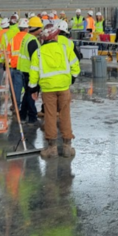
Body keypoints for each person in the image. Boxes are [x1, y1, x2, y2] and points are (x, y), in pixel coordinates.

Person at [29, 23, 80, 158]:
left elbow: (33, 74)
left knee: (50, 116)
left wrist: (33, 89)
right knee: (65, 114)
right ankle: (67, 147)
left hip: (48, 89)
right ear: (55, 36)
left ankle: (52, 148)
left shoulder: (38, 53)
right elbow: (75, 67)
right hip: (64, 87)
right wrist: (71, 80)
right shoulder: (64, 49)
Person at [17, 17, 44, 123]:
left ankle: (23, 114)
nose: (41, 30)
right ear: (36, 28)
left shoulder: (27, 37)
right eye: (40, 28)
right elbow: (35, 59)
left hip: (24, 69)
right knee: (31, 94)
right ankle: (32, 117)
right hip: (29, 71)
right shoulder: (33, 41)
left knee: (27, 94)